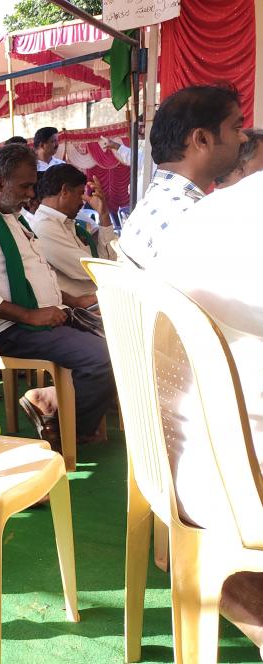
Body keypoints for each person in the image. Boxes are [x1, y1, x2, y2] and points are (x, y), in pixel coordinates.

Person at [138, 169, 263, 655]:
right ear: (202, 140)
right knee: (84, 355)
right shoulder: (194, 208)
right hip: (223, 468)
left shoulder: (207, 208)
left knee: (86, 351)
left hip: (171, 439)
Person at [0, 143, 115, 445]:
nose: (30, 194)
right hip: (12, 328)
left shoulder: (12, 217)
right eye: (25, 186)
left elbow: (35, 276)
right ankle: (63, 423)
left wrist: (73, 301)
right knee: (100, 358)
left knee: (121, 343)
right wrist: (28, 315)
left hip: (46, 318)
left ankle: (50, 405)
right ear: (0, 182)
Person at [120, 85, 248, 267]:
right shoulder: (194, 222)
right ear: (202, 139)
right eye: (236, 128)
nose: (244, 138)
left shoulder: (152, 205)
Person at [30, 164, 117, 298]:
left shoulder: (64, 222)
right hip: (81, 309)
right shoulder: (44, 227)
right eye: (80, 193)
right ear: (64, 191)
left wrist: (104, 215)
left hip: (97, 298)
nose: (83, 202)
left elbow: (106, 261)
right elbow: (92, 270)